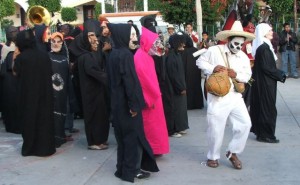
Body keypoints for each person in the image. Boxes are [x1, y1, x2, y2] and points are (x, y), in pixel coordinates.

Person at [196, 21, 254, 169]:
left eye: (240, 45)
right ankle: (213, 156)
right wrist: (212, 68)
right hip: (217, 97)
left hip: (235, 96)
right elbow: (200, 61)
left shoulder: (243, 57)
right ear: (228, 40)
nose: (238, 47)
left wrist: (237, 75)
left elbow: (248, 75)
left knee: (245, 124)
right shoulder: (215, 51)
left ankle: (233, 152)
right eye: (235, 44)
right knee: (215, 128)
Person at [107, 23, 159, 183]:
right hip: (126, 106)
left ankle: (122, 169)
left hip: (117, 105)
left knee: (123, 139)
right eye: (130, 35)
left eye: (134, 34)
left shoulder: (113, 54)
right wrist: (134, 105)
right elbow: (129, 83)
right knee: (132, 139)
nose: (134, 38)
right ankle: (132, 171)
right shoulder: (125, 55)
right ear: (122, 36)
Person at [13, 29, 56, 157]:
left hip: (28, 95)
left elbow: (15, 73)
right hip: (45, 94)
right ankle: (46, 147)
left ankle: (30, 148)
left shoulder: (22, 57)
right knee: (44, 119)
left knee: (29, 119)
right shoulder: (44, 55)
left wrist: (15, 57)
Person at [69, 20, 110, 150]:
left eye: (95, 37)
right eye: (91, 37)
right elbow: (95, 73)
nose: (96, 40)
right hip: (91, 93)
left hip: (96, 91)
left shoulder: (87, 55)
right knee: (94, 116)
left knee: (100, 116)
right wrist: (112, 79)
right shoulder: (86, 57)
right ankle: (94, 142)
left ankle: (100, 140)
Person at [134, 27, 170, 155]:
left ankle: (156, 148)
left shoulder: (146, 56)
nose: (157, 46)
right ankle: (152, 149)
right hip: (150, 98)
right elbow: (143, 81)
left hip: (154, 96)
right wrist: (150, 98)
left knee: (155, 126)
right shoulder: (140, 57)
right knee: (151, 126)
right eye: (154, 43)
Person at [250, 23, 286, 143]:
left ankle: (262, 133)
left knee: (264, 107)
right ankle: (266, 134)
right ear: (264, 33)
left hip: (266, 82)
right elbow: (267, 68)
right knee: (267, 107)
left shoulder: (264, 47)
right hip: (266, 84)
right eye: (270, 31)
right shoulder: (264, 49)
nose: (272, 33)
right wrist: (280, 74)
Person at [49, 32, 73, 147]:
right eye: (53, 41)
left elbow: (67, 77)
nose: (56, 44)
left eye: (59, 41)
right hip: (51, 92)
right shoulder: (47, 57)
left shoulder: (64, 59)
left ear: (62, 43)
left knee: (62, 113)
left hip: (62, 92)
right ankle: (54, 138)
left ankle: (61, 136)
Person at [165, 33, 189, 137]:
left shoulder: (177, 54)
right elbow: (173, 74)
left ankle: (180, 127)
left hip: (179, 87)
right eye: (181, 42)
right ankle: (173, 130)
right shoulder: (171, 56)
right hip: (174, 88)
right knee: (174, 109)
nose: (183, 44)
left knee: (181, 109)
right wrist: (180, 87)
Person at [0, 26, 20, 134]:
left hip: (15, 77)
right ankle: (11, 125)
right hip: (7, 78)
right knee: (9, 102)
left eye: (15, 31)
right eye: (11, 31)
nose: (14, 33)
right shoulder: (4, 47)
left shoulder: (19, 45)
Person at [181, 34, 204, 110]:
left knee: (188, 87)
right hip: (195, 73)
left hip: (186, 73)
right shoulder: (195, 50)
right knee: (196, 86)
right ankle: (198, 104)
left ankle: (189, 104)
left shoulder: (183, 51)